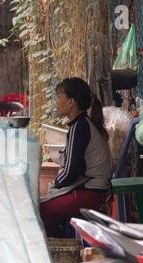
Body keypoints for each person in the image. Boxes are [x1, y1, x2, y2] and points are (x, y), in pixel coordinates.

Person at [40, 77, 112, 238]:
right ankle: (65, 244)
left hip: (91, 194)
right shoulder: (83, 124)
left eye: (59, 97)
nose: (56, 102)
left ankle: (64, 251)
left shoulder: (79, 127)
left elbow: (72, 171)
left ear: (71, 102)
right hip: (93, 190)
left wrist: (54, 184)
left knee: (39, 212)